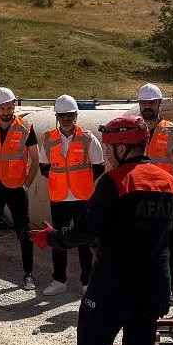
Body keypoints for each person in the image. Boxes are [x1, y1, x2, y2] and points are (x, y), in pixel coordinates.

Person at [32, 115, 173, 345]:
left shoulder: (114, 182)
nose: (108, 154)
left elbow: (85, 230)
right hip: (152, 287)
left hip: (112, 285)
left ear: (123, 147)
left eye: (111, 148)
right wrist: (167, 286)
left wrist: (53, 238)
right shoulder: (169, 183)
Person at [0, 86, 41, 289]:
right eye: (2, 108)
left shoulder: (25, 128)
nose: (6, 111)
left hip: (16, 187)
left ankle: (28, 274)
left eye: (9, 107)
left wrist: (26, 185)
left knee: (23, 231)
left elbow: (35, 159)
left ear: (14, 106)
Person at [38, 94, 105, 296]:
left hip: (82, 198)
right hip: (59, 198)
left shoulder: (88, 138)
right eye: (62, 115)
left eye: (69, 115)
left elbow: (99, 167)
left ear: (76, 115)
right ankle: (59, 280)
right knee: (58, 240)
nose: (66, 119)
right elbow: (44, 167)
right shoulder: (47, 139)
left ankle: (87, 282)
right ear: (56, 117)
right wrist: (61, 182)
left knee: (85, 241)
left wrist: (80, 183)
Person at [136, 83, 173, 307]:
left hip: (166, 196)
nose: (147, 107)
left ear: (159, 104)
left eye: (152, 102)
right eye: (144, 103)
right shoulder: (132, 129)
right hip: (139, 196)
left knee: (172, 241)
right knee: (141, 241)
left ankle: (170, 285)